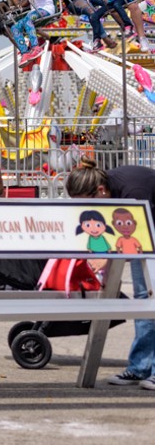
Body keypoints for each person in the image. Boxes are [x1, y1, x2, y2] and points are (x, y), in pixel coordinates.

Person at [65, 160, 155, 390]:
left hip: (150, 232)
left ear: (100, 191)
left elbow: (139, 235)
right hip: (145, 236)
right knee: (144, 299)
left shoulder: (133, 193)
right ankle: (140, 367)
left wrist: (109, 258)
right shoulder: (106, 186)